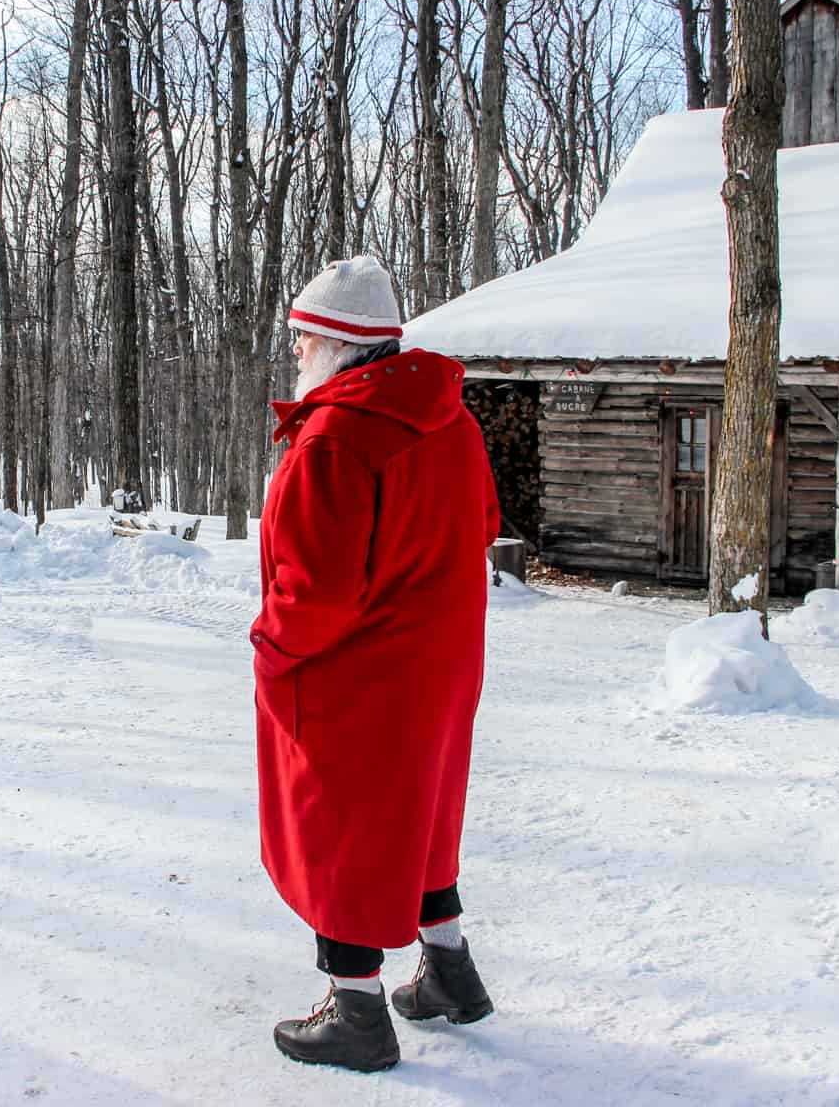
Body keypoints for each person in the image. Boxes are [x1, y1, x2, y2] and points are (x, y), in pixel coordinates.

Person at [250, 255, 503, 1072]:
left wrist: (271, 648)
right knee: (419, 817)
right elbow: (483, 523)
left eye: (303, 337)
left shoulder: (335, 437)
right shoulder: (452, 420)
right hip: (442, 662)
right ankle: (450, 973)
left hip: (356, 672)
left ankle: (356, 1012)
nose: (295, 351)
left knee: (344, 830)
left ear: (335, 342)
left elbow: (315, 593)